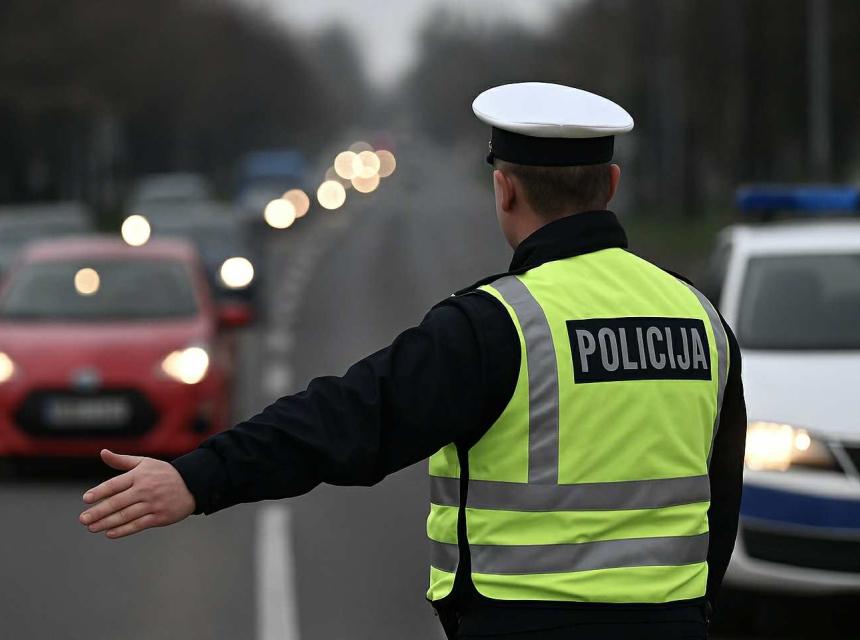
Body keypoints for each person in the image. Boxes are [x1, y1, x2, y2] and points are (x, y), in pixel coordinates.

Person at [79, 82, 746, 640]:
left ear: (505, 190)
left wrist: (199, 477)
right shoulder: (703, 320)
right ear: (612, 183)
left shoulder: (498, 325)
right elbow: (721, 500)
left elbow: (347, 419)